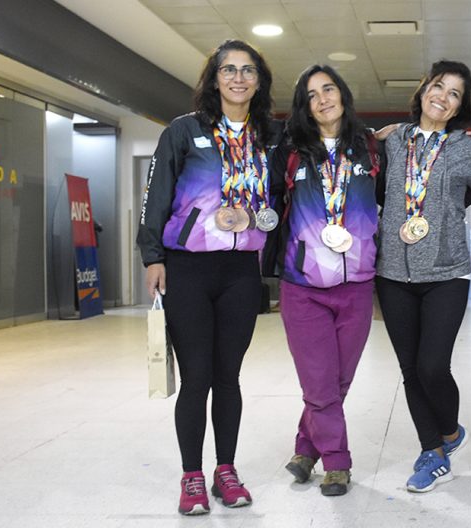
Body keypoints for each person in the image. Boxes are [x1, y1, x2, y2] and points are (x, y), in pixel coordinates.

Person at [137, 39, 282, 515]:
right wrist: (152, 255)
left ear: (259, 81)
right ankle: (192, 476)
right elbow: (156, 194)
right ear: (214, 79)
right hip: (189, 267)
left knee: (229, 376)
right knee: (197, 376)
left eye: (248, 71)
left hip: (241, 271)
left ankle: (226, 469)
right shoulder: (184, 131)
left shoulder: (269, 136)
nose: (238, 78)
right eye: (228, 70)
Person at [374, 60, 471, 493]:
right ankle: (434, 453)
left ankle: (450, 431)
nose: (443, 96)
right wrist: (374, 135)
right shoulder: (394, 141)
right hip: (392, 273)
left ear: (460, 106)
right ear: (423, 89)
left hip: (446, 273)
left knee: (432, 365)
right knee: (409, 369)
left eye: (455, 93)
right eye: (438, 86)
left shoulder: (465, 148)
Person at [273, 64, 381, 497]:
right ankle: (337, 461)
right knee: (319, 379)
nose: (322, 99)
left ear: (343, 94)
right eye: (311, 94)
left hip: (357, 284)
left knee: (335, 381)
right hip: (303, 286)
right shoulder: (289, 151)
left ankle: (305, 447)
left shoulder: (371, 148)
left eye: (329, 89)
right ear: (304, 106)